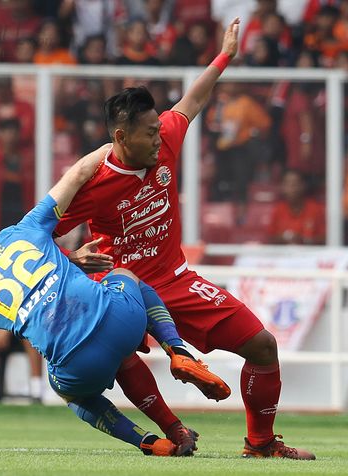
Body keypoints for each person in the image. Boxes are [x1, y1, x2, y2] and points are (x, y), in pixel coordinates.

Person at [54, 18, 315, 460]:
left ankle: (261, 443)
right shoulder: (92, 185)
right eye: (149, 132)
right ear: (121, 137)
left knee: (263, 346)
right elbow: (36, 236)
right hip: (124, 291)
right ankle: (173, 430)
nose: (161, 137)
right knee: (118, 359)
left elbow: (193, 100)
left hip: (175, 280)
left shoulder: (167, 140)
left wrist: (225, 55)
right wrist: (71, 259)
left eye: (160, 128)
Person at [0, 145, 230, 455]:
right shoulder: (22, 230)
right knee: (125, 276)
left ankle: (149, 442)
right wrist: (118, 145)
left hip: (78, 365)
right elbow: (78, 172)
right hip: (120, 321)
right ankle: (178, 350)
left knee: (73, 395)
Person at [267, 169, 325, 245]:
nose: (291, 189)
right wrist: (282, 238)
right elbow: (270, 238)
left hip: (309, 254)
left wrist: (304, 240)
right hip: (283, 254)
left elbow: (325, 238)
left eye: (295, 184)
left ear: (303, 186)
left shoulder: (316, 209)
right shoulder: (278, 209)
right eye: (287, 184)